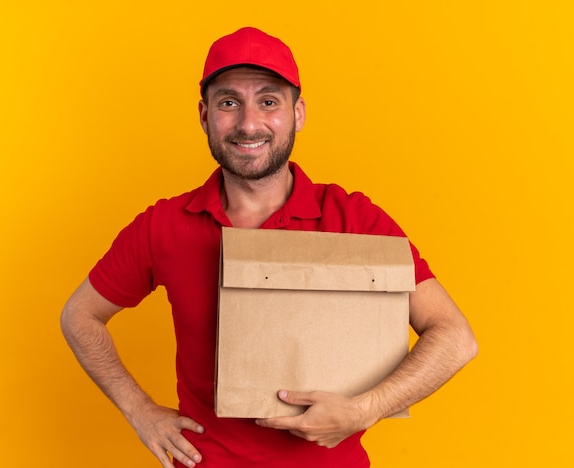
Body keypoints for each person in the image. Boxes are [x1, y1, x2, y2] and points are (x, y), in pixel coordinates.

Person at [60, 26, 478, 468]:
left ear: (297, 113)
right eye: (228, 103)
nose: (248, 123)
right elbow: (79, 315)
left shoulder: (355, 220)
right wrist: (141, 412)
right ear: (204, 116)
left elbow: (455, 338)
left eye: (268, 101)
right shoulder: (163, 226)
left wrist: (362, 411)